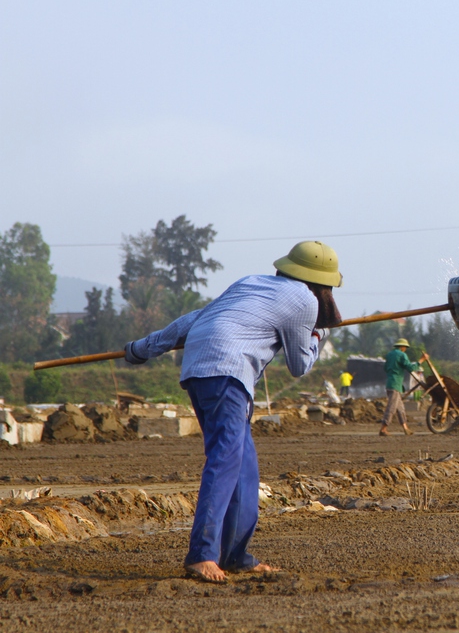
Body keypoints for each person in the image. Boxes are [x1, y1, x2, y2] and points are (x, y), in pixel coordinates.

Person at [123, 241, 343, 584]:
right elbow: (300, 365)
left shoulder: (250, 283)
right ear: (322, 284)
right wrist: (319, 334)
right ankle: (202, 554)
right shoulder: (305, 300)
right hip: (228, 375)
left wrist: (140, 349)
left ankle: (236, 555)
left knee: (244, 467)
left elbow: (192, 320)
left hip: (200, 370)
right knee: (225, 461)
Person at [379, 338, 427, 436]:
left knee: (400, 408)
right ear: (402, 347)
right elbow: (411, 368)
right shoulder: (402, 355)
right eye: (405, 347)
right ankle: (383, 428)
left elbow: (385, 368)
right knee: (391, 407)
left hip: (390, 383)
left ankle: (406, 428)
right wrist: (421, 360)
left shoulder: (389, 355)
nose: (405, 349)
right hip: (395, 384)